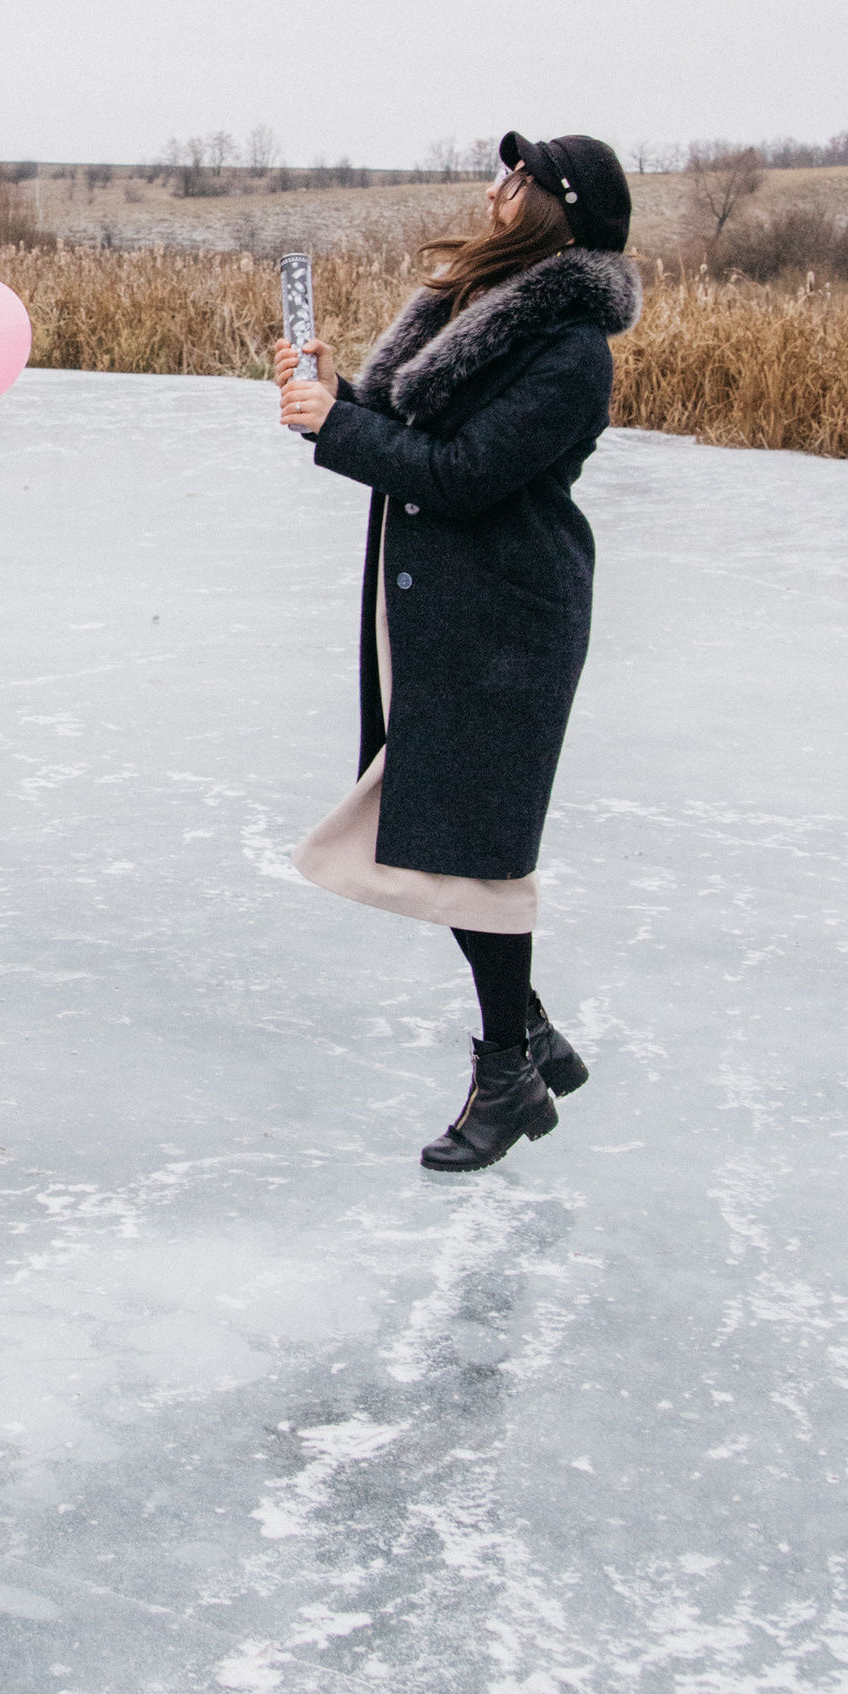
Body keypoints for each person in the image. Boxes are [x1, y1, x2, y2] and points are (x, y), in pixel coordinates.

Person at [273, 129, 640, 1172]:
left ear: (554, 210)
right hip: (441, 609)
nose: (492, 193)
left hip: (505, 620)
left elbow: (465, 473)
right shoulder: (479, 306)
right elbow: (416, 434)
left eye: (514, 181)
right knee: (445, 828)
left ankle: (509, 1070)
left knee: (478, 851)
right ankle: (529, 1034)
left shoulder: (571, 349)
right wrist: (334, 398)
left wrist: (333, 429)